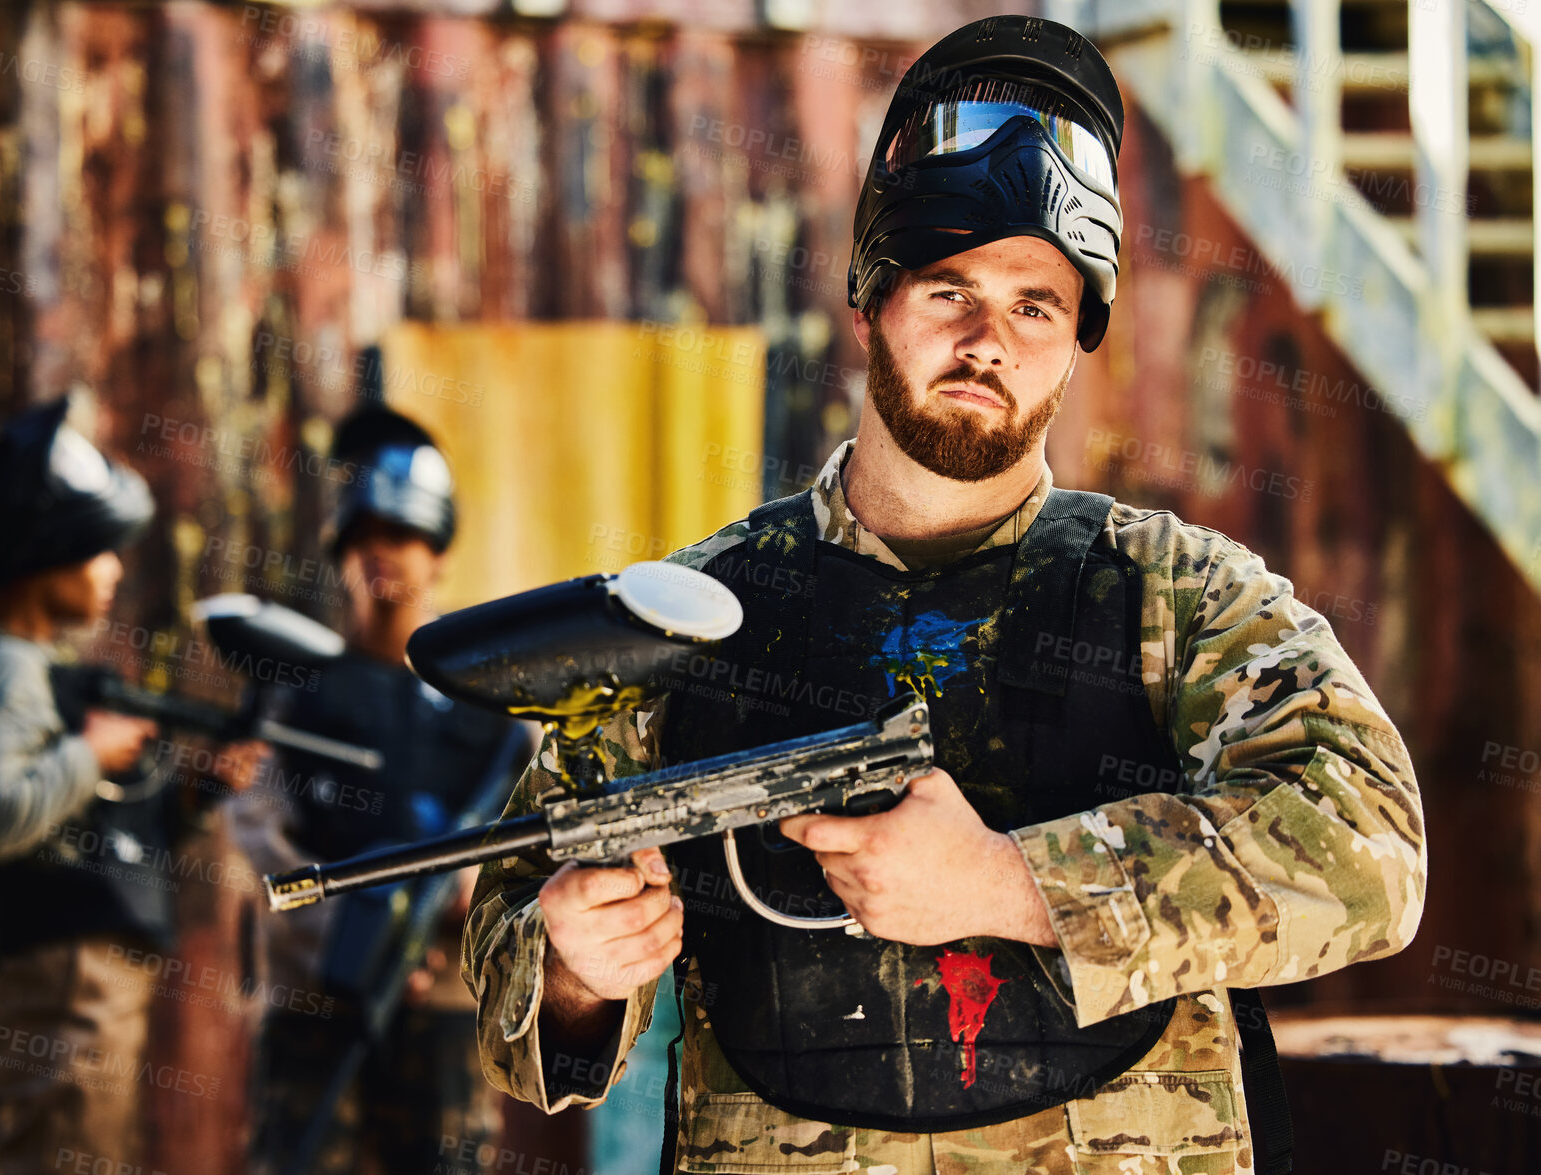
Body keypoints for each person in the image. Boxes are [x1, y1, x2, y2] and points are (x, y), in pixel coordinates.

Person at [464, 15, 1427, 1175]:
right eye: (948, 290)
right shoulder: (691, 615)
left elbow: (1371, 853)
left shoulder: (1179, 596)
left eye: (1035, 306)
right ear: (868, 304)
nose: (988, 342)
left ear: (1075, 345)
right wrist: (574, 967)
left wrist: (1014, 884)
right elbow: (517, 971)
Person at [0, 396, 261, 1175]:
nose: (113, 570)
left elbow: (90, 836)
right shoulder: (5, 667)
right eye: (98, 550)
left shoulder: (39, 671)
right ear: (50, 550)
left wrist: (194, 794)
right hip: (64, 981)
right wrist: (92, 752)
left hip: (89, 978)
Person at [239, 404, 533, 1175]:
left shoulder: (490, 705)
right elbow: (259, 835)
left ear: (436, 553)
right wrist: (355, 938)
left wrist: (478, 893)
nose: (381, 557)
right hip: (316, 1006)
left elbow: (536, 847)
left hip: (445, 1014)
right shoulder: (301, 692)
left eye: (400, 538)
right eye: (363, 539)